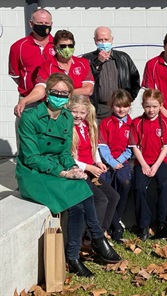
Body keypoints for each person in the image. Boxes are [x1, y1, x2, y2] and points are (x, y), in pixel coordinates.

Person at [15, 73, 121, 278]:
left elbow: (64, 152)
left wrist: (73, 168)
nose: (60, 96)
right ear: (46, 94)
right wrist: (63, 172)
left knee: (82, 189)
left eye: (65, 93)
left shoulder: (65, 117)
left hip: (56, 167)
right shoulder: (30, 116)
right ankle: (93, 243)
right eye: (56, 92)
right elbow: (31, 157)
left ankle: (75, 255)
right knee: (78, 196)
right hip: (33, 173)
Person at [67, 95, 123, 240]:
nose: (78, 116)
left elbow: (94, 147)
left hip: (91, 171)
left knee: (113, 196)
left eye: (82, 112)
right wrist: (88, 167)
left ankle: (100, 232)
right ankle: (90, 238)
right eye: (74, 112)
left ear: (87, 113)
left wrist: (98, 162)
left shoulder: (88, 126)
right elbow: (68, 157)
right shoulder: (68, 129)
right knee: (100, 200)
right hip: (78, 172)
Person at [14, 30, 94, 117]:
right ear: (55, 47)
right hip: (56, 112)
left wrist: (60, 95)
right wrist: (24, 101)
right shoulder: (46, 66)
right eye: (63, 46)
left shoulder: (83, 63)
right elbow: (41, 90)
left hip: (79, 113)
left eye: (70, 46)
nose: (67, 49)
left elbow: (88, 90)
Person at [129, 89, 167, 241]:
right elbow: (134, 146)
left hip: (160, 162)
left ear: (161, 106)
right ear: (142, 105)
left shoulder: (166, 123)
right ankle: (143, 225)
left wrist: (155, 166)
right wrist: (143, 165)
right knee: (139, 187)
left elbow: (166, 147)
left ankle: (162, 224)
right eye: (148, 106)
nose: (151, 110)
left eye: (154, 106)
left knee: (164, 185)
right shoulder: (137, 122)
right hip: (142, 162)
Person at [98, 89, 134, 242]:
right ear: (112, 106)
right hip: (107, 162)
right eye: (118, 106)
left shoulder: (132, 124)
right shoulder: (106, 123)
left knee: (125, 183)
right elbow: (102, 145)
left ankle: (116, 219)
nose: (121, 109)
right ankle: (115, 225)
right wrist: (111, 161)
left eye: (125, 106)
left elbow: (131, 147)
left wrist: (119, 160)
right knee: (105, 185)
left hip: (123, 162)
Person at [83, 26, 140, 120]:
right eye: (100, 40)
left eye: (106, 39)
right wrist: (98, 62)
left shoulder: (123, 58)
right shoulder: (87, 59)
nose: (104, 43)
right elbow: (86, 80)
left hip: (119, 107)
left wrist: (127, 100)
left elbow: (135, 80)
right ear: (95, 41)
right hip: (99, 109)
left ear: (112, 39)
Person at [9, 8, 55, 101]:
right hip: (28, 99)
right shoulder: (18, 46)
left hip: (55, 99)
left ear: (51, 24)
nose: (43, 26)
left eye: (46, 23)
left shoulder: (59, 45)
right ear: (31, 24)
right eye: (39, 23)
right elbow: (15, 75)